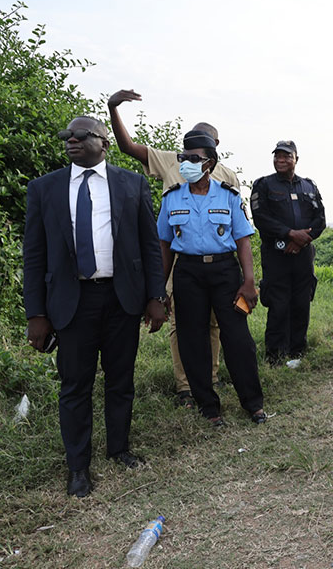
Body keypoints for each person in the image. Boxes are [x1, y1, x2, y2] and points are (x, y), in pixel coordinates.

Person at [23, 116, 167, 497]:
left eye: (80, 136)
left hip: (122, 298)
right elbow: (34, 255)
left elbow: (150, 246)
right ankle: (78, 467)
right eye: (66, 136)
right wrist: (36, 314)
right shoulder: (44, 189)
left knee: (121, 381)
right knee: (75, 386)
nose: (71, 141)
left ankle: (119, 449)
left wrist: (156, 297)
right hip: (71, 302)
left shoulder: (132, 184)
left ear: (103, 142)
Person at [108, 89, 240, 408]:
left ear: (214, 149)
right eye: (187, 146)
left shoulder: (228, 176)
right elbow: (127, 147)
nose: (190, 155)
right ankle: (185, 387)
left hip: (219, 263)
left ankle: (209, 379)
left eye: (201, 144)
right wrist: (113, 109)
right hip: (179, 260)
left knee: (214, 323)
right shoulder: (171, 162)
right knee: (181, 323)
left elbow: (239, 226)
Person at [156, 131, 266, 426]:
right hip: (187, 273)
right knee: (192, 340)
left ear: (210, 163)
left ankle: (253, 403)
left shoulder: (228, 195)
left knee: (238, 339)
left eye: (194, 159)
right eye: (183, 158)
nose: (186, 164)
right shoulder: (171, 197)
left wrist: (249, 281)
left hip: (224, 272)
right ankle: (209, 406)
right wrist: (159, 290)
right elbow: (164, 245)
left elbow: (243, 239)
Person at [250, 141, 326, 362]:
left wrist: (303, 240)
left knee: (302, 302)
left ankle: (298, 350)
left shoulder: (309, 186)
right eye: (277, 156)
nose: (280, 160)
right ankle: (275, 355)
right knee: (278, 303)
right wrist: (290, 234)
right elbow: (261, 218)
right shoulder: (263, 185)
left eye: (286, 156)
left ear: (296, 159)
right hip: (276, 254)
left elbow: (319, 218)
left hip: (303, 254)